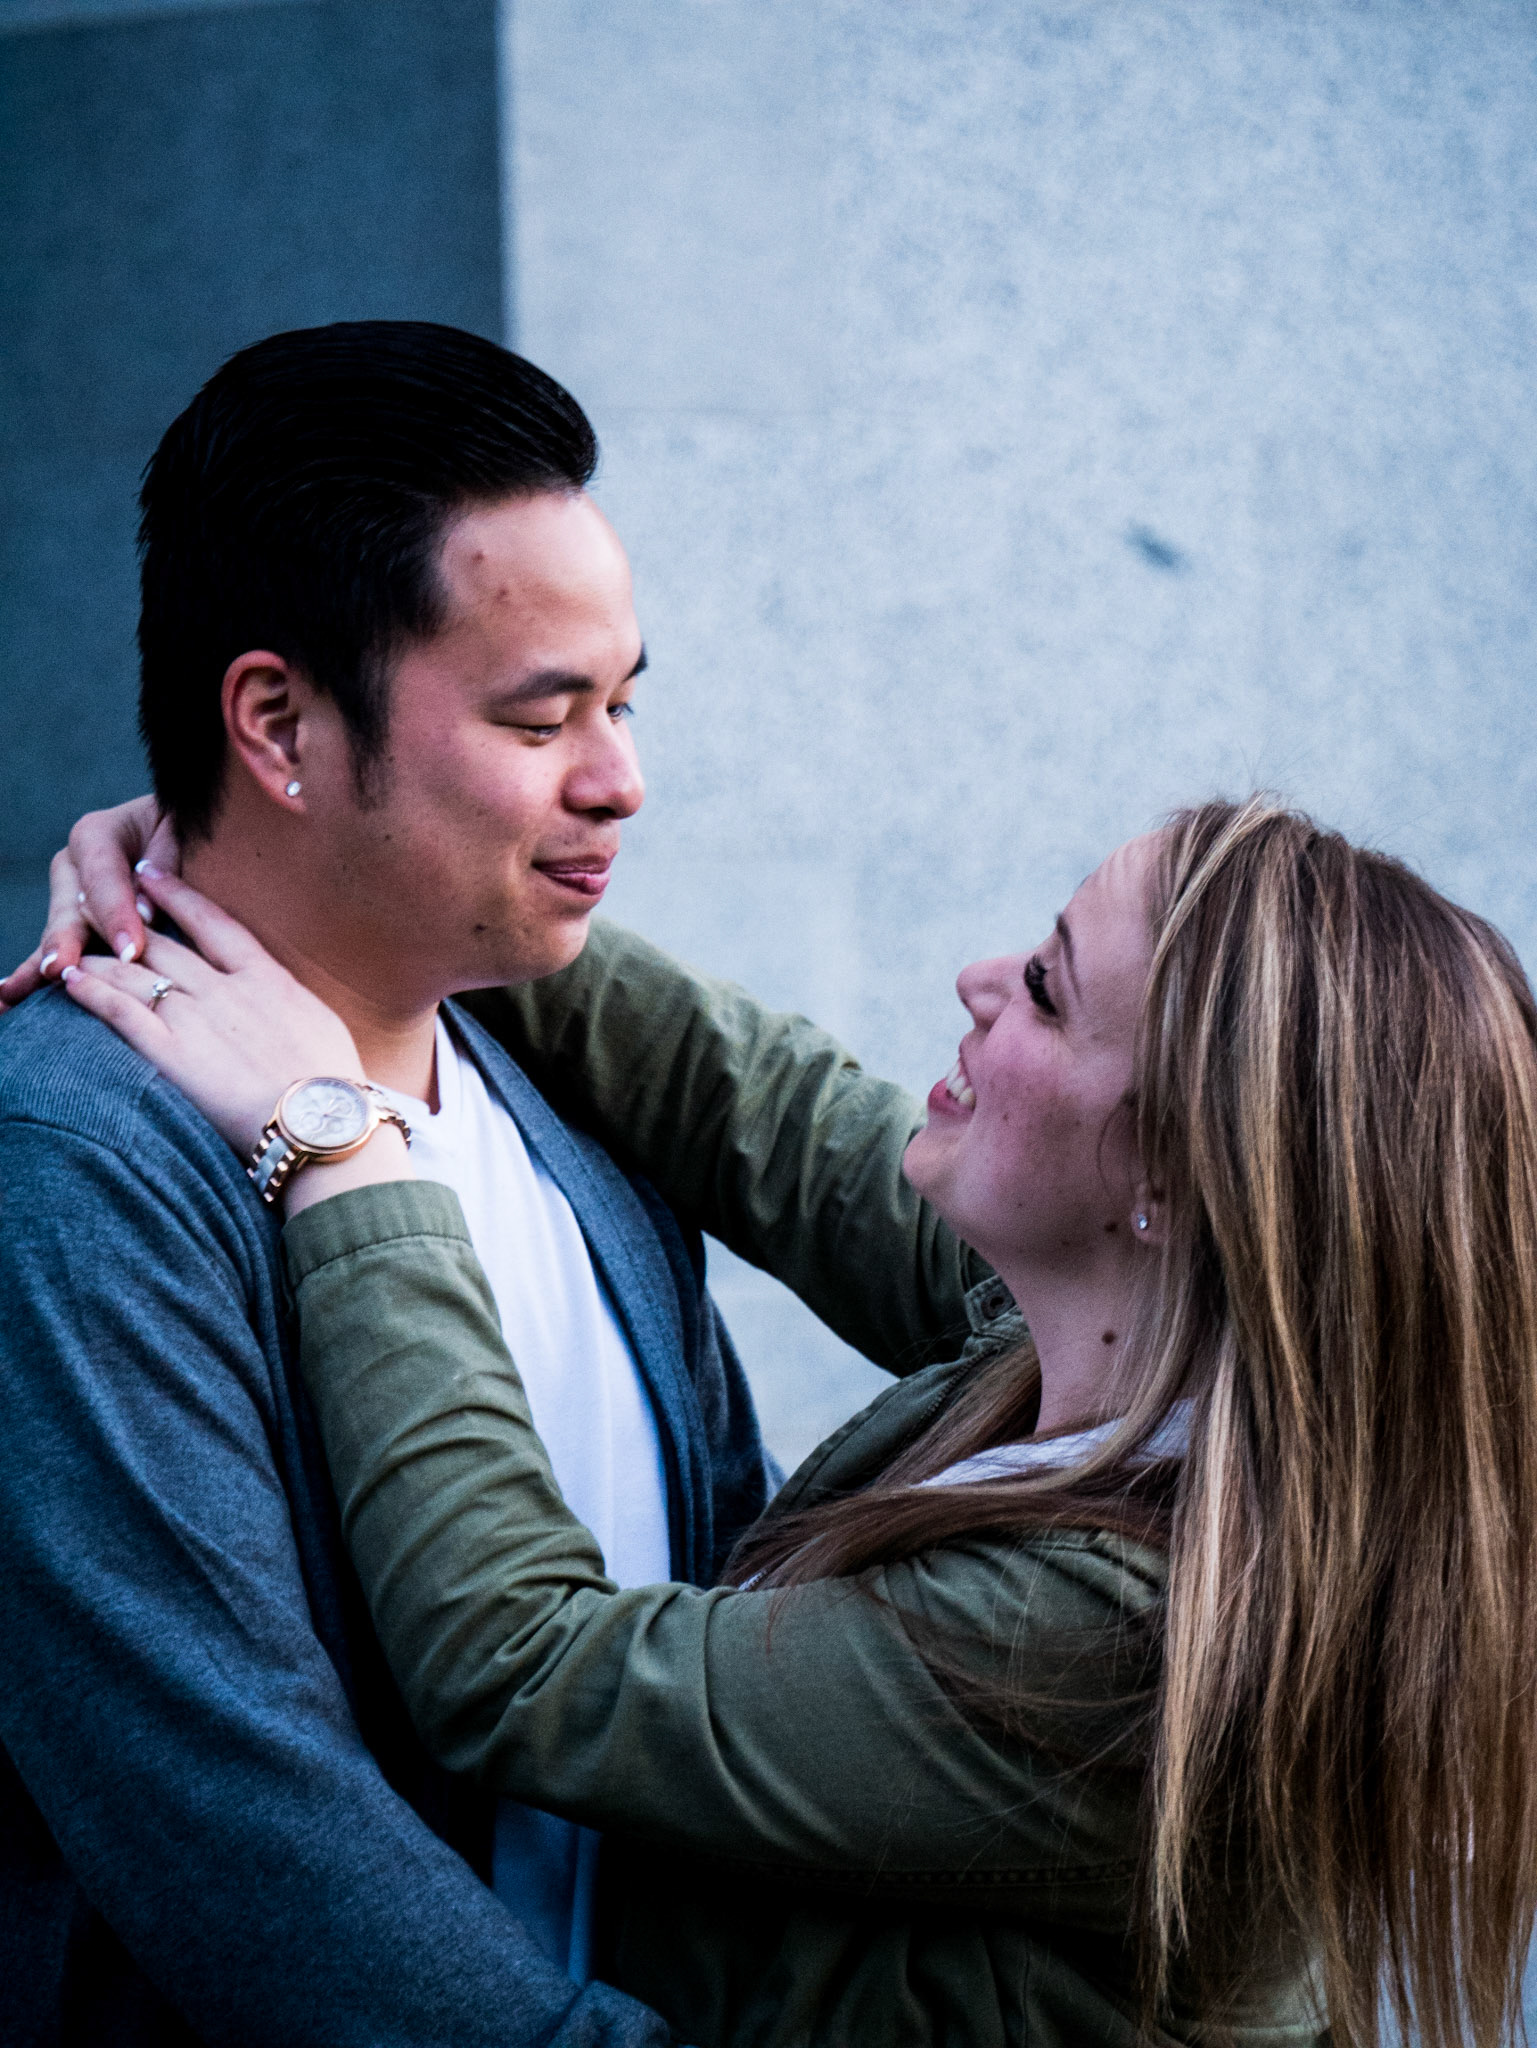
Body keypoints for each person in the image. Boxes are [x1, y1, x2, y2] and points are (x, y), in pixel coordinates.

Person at [44, 797, 1537, 2046]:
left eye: (1045, 988)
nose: (977, 978)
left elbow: (524, 1662)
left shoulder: (1134, 1642)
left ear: (1164, 1181)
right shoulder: (1141, 1354)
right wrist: (351, 863)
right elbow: (769, 1112)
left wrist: (346, 1152)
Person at [0, 322, 777, 2046]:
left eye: (624, 703)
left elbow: (730, 1632)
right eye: (541, 716)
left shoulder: (571, 1113)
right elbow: (245, 1833)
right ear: (278, 723)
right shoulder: (75, 1160)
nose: (620, 780)